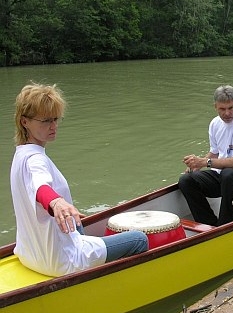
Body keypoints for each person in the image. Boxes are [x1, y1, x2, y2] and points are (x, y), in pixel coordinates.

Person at [10, 83, 148, 277]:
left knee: (77, 222)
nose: (54, 126)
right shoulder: (36, 160)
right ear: (25, 122)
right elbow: (41, 187)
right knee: (139, 239)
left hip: (29, 255)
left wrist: (62, 207)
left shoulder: (20, 155)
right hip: (60, 261)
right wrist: (56, 202)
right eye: (46, 121)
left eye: (56, 119)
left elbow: (36, 189)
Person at [178, 85, 233, 226]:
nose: (227, 113)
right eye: (222, 109)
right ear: (215, 106)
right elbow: (215, 152)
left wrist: (205, 162)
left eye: (231, 108)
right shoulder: (215, 124)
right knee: (186, 180)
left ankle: (224, 225)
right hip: (223, 176)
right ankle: (207, 224)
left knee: (229, 174)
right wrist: (196, 164)